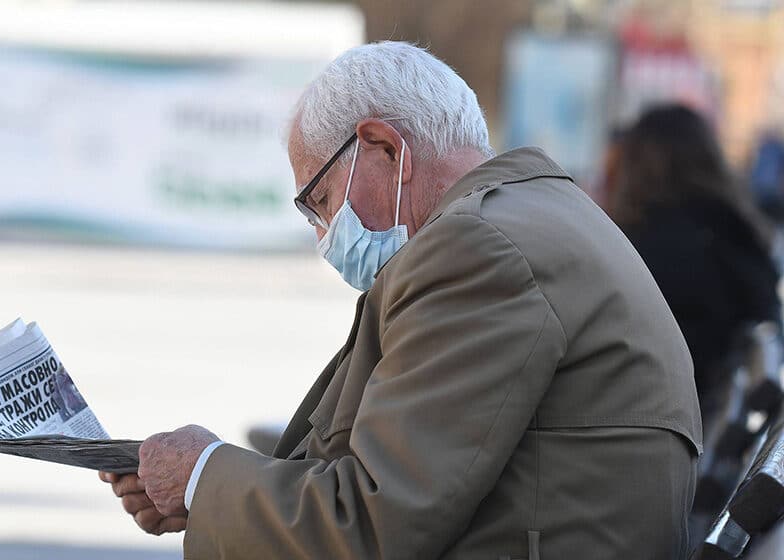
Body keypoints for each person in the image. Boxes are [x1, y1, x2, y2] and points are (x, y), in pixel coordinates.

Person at [100, 42, 702, 558]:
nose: (322, 234)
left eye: (319, 199)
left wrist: (204, 477)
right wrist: (201, 490)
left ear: (385, 148)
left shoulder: (476, 249)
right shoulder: (530, 217)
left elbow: (371, 525)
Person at [604, 105, 781, 423]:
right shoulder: (735, 231)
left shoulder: (651, 247)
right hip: (700, 416)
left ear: (639, 165)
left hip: (657, 422)